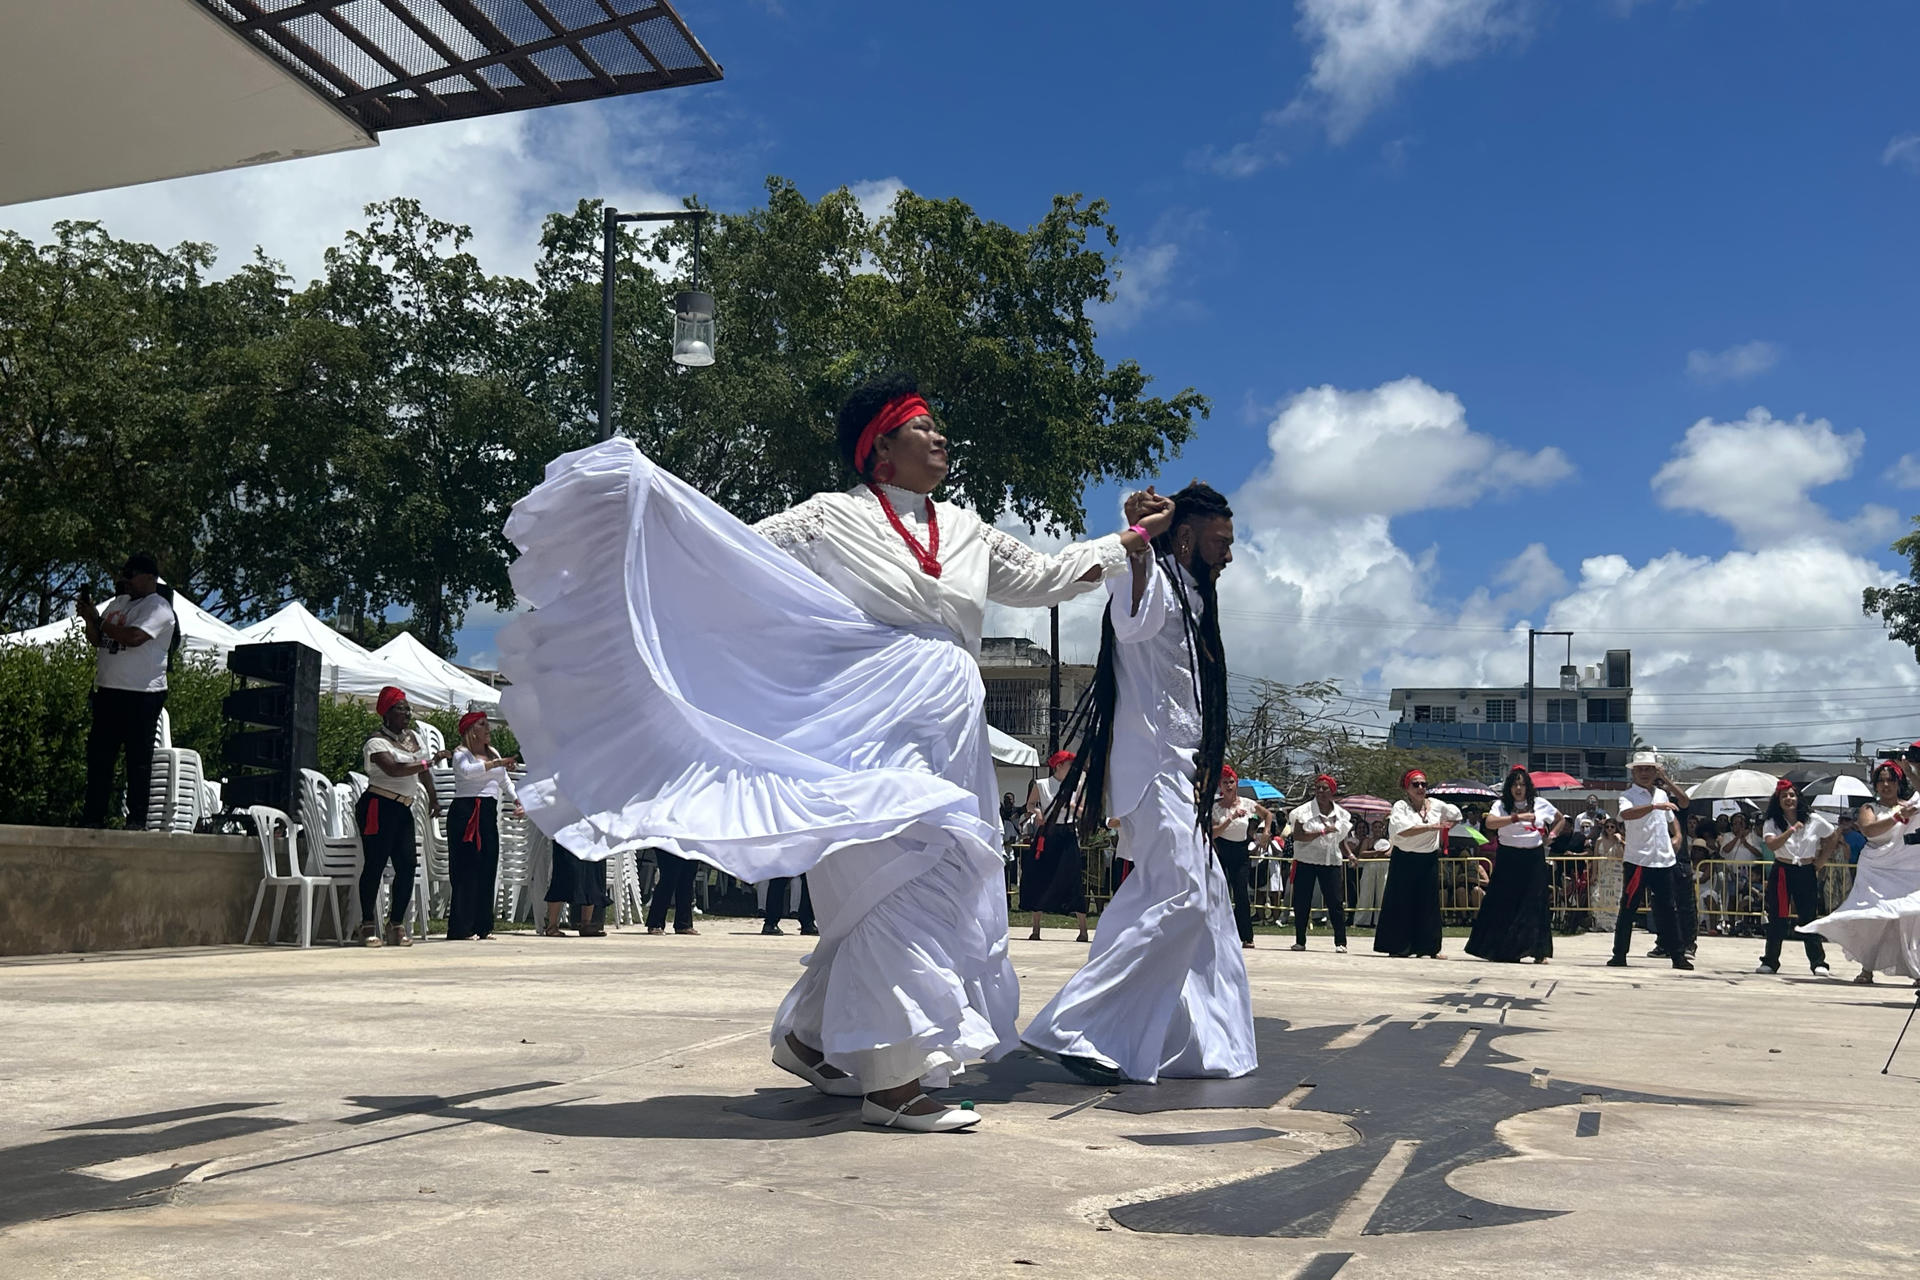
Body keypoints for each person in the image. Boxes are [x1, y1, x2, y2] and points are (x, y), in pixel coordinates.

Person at [500, 371, 1160, 1133]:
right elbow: (731, 558)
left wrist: (1129, 539)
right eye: (921, 426)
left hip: (948, 729)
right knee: (897, 878)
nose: (940, 437)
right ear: (879, 448)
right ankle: (892, 1082)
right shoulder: (824, 520)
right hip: (860, 724)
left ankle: (814, 1040)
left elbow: (1049, 576)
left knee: (918, 876)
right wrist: (645, 511)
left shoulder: (970, 530)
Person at [1022, 482, 1256, 1085]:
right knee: (1182, 893)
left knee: (1203, 905)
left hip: (1178, 769)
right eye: (1220, 543)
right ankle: (1077, 1027)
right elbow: (1130, 621)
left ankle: (1195, 1044)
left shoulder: (1197, 601)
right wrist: (1140, 542)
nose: (1229, 555)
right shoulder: (1152, 578)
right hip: (1151, 766)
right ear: (1184, 538)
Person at [77, 554, 178, 829]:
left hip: (142, 694)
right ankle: (93, 817)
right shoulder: (118, 603)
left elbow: (134, 637)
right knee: (100, 756)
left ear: (149, 577)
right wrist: (90, 620)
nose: (126, 583)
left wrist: (100, 622)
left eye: (130, 577)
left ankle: (136, 820)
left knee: (138, 760)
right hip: (109, 690)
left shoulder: (159, 608)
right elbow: (99, 640)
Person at [1800, 761, 1920, 985]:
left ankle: (1917, 970)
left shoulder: (1911, 806)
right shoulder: (1869, 809)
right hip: (1876, 870)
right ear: (1875, 785)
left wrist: (1911, 768)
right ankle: (1867, 969)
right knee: (1875, 918)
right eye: (1881, 781)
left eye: (1890, 780)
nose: (1885, 785)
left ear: (1898, 783)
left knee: (1911, 917)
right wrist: (1896, 816)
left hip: (1904, 870)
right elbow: (1869, 830)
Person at [356, 686, 438, 948]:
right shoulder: (375, 741)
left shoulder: (412, 738)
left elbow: (422, 772)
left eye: (407, 709)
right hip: (378, 806)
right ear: (386, 713)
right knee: (375, 865)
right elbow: (393, 769)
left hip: (403, 808)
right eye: (400, 709)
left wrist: (434, 797)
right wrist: (427, 763)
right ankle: (367, 924)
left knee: (407, 866)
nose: (406, 713)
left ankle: (396, 924)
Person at [1608, 750, 1693, 970]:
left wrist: (1678, 835)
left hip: (1662, 860)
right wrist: (1653, 807)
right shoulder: (1628, 796)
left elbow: (1681, 805)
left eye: (1649, 769)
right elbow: (1627, 815)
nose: (1644, 773)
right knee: (1628, 908)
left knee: (1668, 909)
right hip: (1638, 859)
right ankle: (1619, 954)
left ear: (1656, 771)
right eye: (1640, 769)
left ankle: (1677, 955)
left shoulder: (1662, 794)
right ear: (1633, 772)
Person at [1466, 766, 1560, 964]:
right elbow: (1490, 823)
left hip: (1533, 857)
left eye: (1522, 784)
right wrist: (1517, 817)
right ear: (1509, 787)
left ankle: (1538, 950)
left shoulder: (1540, 803)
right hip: (1509, 856)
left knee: (1534, 902)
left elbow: (1560, 819)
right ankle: (1503, 949)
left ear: (1528, 787)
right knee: (1504, 901)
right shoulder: (1501, 805)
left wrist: (1551, 836)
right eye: (1515, 784)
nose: (1519, 788)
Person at [447, 710, 519, 941]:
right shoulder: (461, 753)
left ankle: (482, 925)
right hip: (466, 812)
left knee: (487, 866)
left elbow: (503, 780)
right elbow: (467, 773)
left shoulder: (492, 752)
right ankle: (462, 926)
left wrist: (517, 799)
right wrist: (497, 763)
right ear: (471, 731)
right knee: (466, 869)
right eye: (482, 725)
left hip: (487, 811)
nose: (488, 729)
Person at [1756, 780, 1839, 976]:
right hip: (1783, 870)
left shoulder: (1813, 819)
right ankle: (1770, 961)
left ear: (1798, 798)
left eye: (1792, 795)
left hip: (1806, 870)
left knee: (1808, 917)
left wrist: (1821, 860)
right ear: (1778, 800)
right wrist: (1791, 830)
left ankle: (1818, 963)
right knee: (1778, 917)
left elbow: (1833, 836)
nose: (1789, 799)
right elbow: (1772, 845)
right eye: (1784, 796)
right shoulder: (1772, 821)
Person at [1375, 771, 1461, 959]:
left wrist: (1445, 828)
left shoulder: (1437, 805)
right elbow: (1403, 830)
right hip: (1404, 858)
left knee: (1428, 903)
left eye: (1423, 784)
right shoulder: (1401, 806)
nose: (1421, 788)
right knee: (1401, 902)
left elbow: (1456, 815)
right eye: (1416, 784)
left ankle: (1430, 947)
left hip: (1427, 858)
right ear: (1407, 788)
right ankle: (1398, 946)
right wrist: (1431, 827)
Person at [1022, 750, 1091, 942]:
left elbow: (1082, 813)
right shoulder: (1042, 785)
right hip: (1048, 833)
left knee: (1074, 878)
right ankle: (1036, 928)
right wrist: (1037, 812)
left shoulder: (1076, 787)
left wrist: (1071, 806)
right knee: (1040, 877)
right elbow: (1029, 804)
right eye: (1070, 765)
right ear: (1059, 766)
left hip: (1068, 832)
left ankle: (1083, 930)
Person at [1284, 775, 1351, 952]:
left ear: (1332, 792)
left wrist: (1350, 854)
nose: (1321, 791)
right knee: (1302, 902)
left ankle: (1341, 942)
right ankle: (1300, 940)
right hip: (1306, 860)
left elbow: (1341, 839)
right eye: (1318, 788)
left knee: (1335, 902)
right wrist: (1322, 831)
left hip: (1331, 861)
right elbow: (1298, 835)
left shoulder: (1342, 814)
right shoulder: (1303, 812)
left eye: (1325, 788)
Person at [1211, 766, 1273, 948]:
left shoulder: (1246, 803)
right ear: (1220, 786)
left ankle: (1246, 935)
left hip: (1240, 851)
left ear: (1236, 783)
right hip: (1221, 850)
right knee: (1220, 893)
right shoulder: (1215, 807)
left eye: (1231, 782)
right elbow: (1213, 833)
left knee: (1241, 893)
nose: (1229, 785)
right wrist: (1230, 817)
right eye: (1225, 782)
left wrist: (1266, 832)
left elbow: (1267, 814)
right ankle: (1218, 932)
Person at [1353, 820, 1390, 927]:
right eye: (1375, 827)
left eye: (1380, 827)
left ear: (1383, 829)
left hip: (1384, 866)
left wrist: (1379, 854)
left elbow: (1389, 853)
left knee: (1382, 892)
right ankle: (1362, 920)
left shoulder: (1389, 840)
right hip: (1370, 866)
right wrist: (1376, 853)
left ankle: (1382, 919)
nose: (1378, 829)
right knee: (1366, 892)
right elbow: (1362, 853)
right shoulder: (1367, 841)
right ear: (1372, 829)